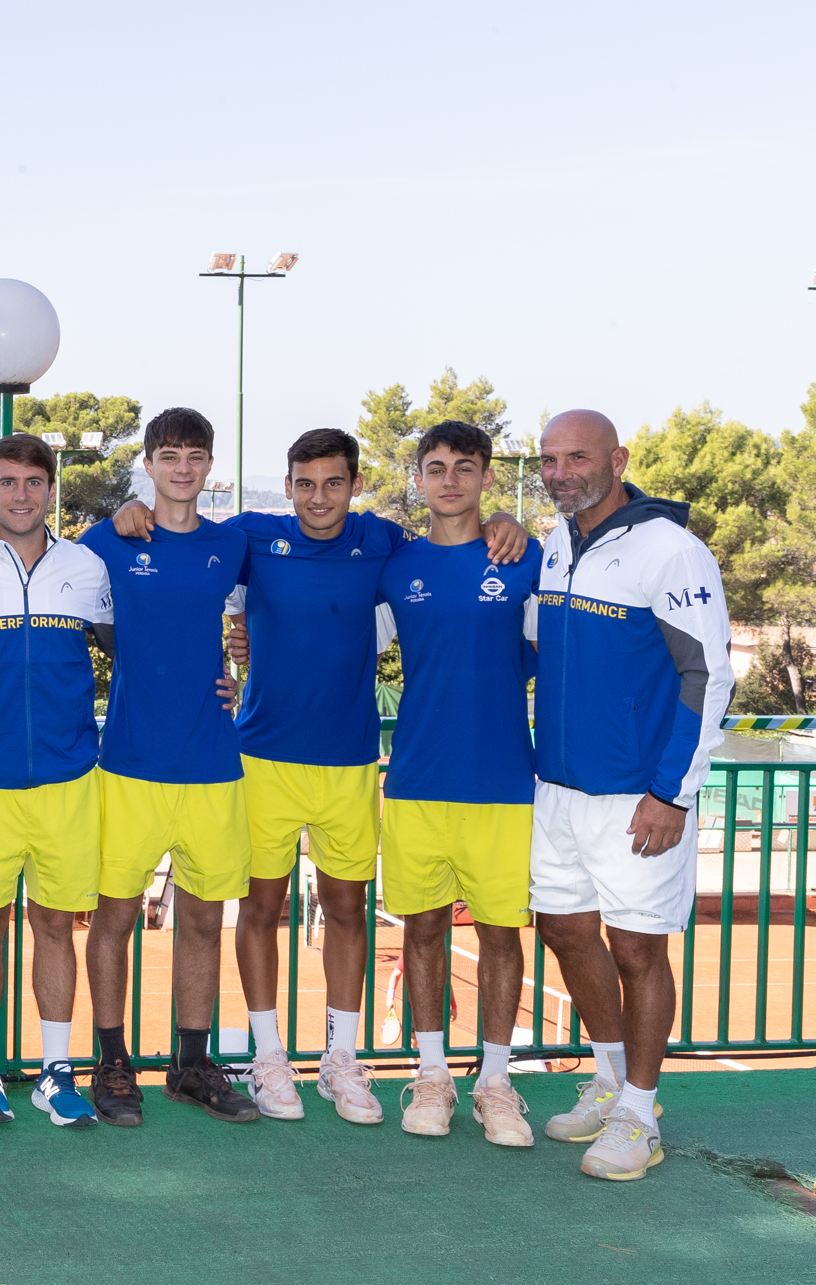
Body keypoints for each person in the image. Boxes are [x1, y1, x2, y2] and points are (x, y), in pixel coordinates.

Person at [112, 430, 525, 1124]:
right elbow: (187, 539)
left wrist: (505, 521)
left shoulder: (384, 543)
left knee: (344, 909)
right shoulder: (254, 535)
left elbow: (452, 550)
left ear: (355, 484)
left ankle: (340, 1059)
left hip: (350, 761)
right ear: (289, 483)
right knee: (262, 911)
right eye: (304, 484)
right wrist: (130, 507)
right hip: (263, 760)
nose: (318, 498)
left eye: (333, 483)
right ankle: (268, 1058)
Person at [527, 409, 730, 1181]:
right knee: (566, 932)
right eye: (548, 460)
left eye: (576, 457)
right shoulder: (553, 545)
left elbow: (706, 676)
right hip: (558, 790)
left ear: (617, 459)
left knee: (638, 948)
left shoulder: (672, 551)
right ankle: (610, 1079)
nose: (560, 472)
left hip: (639, 796)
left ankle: (641, 1115)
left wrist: (671, 795)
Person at [78, 408, 256, 1125]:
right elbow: (61, 592)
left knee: (206, 921)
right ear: (147, 465)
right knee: (115, 916)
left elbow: (294, 601)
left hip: (212, 762)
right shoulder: (109, 540)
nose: (183, 468)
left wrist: (249, 665)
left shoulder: (234, 544)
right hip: (128, 763)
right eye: (169, 456)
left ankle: (191, 1064)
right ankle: (112, 1061)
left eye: (195, 456)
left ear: (209, 467)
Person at [0, 434, 112, 1128]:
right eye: (8, 482)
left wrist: (224, 675)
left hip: (69, 778)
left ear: (51, 488)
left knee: (56, 927)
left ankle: (55, 1073)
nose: (21, 494)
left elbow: (140, 650)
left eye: (34, 482)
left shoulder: (89, 567)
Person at [374, 421, 540, 1146]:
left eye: (464, 468)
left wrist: (518, 528)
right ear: (417, 478)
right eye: (435, 467)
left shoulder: (525, 557)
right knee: (423, 929)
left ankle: (496, 1083)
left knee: (503, 933)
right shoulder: (394, 567)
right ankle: (433, 1074)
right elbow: (332, 639)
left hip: (504, 780)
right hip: (416, 779)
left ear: (485, 478)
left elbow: (550, 654)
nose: (449, 480)